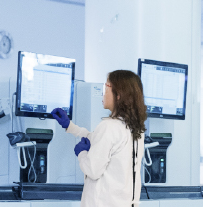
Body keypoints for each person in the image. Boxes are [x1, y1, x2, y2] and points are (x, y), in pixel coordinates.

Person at [52, 70, 147, 207]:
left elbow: (92, 170)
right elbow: (99, 140)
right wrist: (70, 126)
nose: (103, 92)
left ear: (118, 95)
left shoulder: (108, 126)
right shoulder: (136, 129)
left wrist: (81, 153)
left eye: (106, 86)